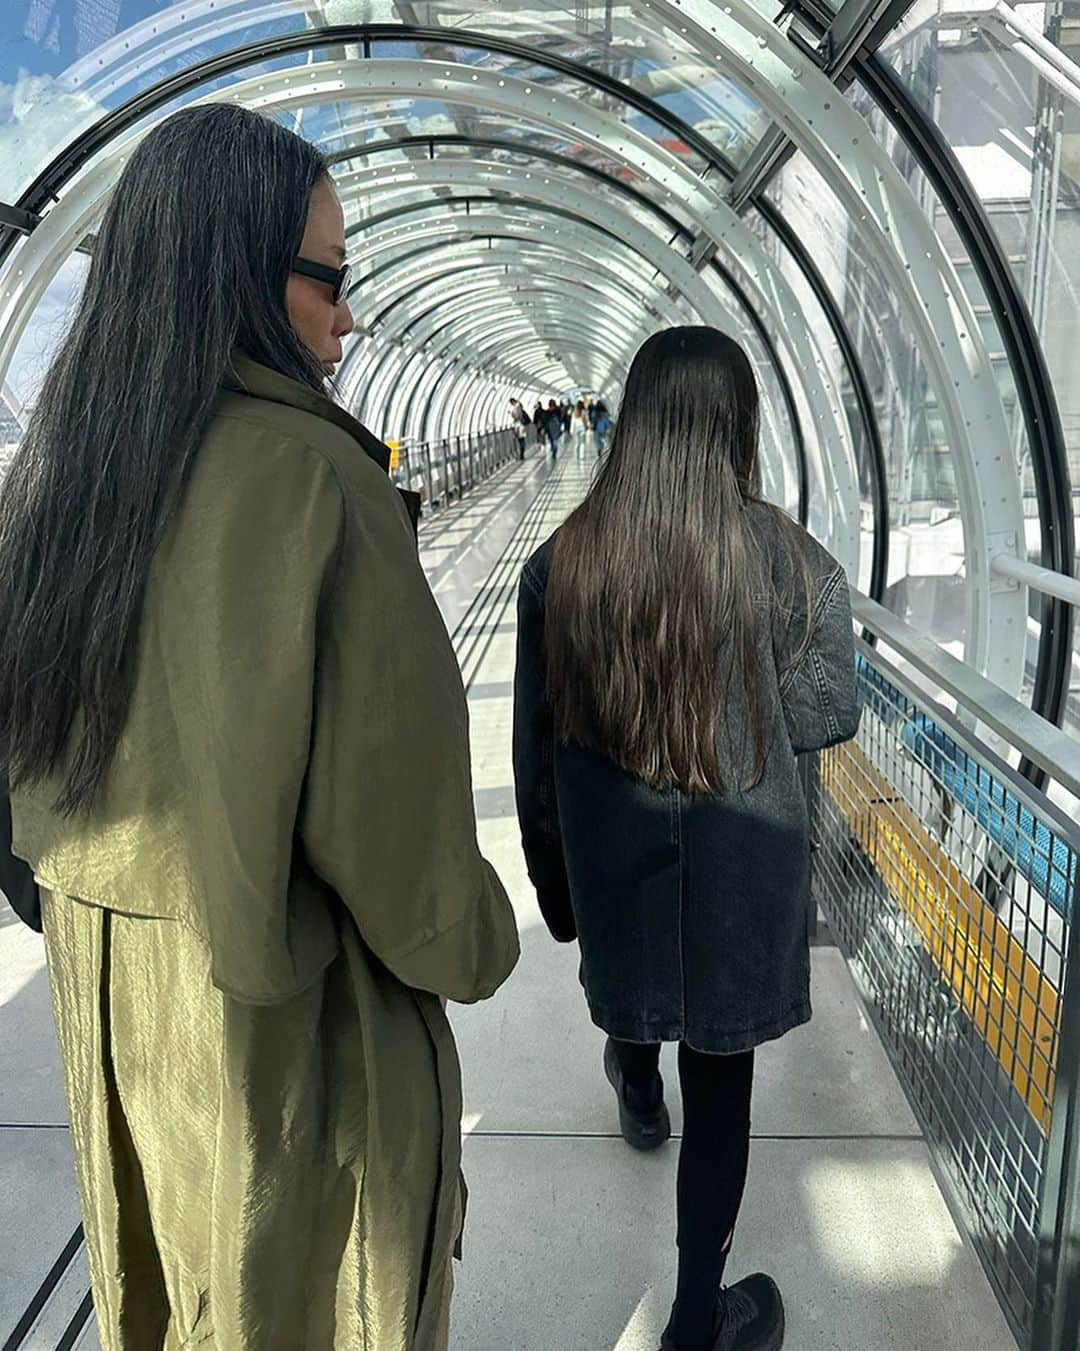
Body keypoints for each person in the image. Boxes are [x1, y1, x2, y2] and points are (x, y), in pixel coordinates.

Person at [0, 104, 519, 1351]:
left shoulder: (59, 480)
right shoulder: (318, 478)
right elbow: (409, 865)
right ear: (243, 273)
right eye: (328, 277)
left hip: (121, 1026)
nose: (348, 314)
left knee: (163, 1295)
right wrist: (485, 941)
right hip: (290, 1044)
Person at [512, 327, 859, 1351]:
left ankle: (633, 1074)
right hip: (740, 875)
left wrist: (556, 887)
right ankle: (699, 1318)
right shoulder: (789, 558)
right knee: (727, 1076)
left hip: (614, 865)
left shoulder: (561, 563)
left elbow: (536, 754)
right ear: (737, 425)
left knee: (636, 986)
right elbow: (826, 712)